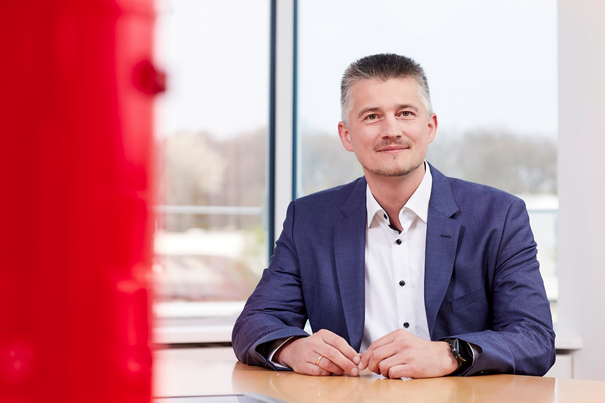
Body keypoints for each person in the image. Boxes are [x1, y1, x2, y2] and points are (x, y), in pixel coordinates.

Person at [232, 53, 555, 379]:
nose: (391, 130)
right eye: (372, 116)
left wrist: (450, 353)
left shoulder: (498, 216)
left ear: (430, 127)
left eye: (405, 113)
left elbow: (534, 337)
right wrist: (293, 348)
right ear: (346, 135)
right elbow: (254, 322)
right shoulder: (309, 219)